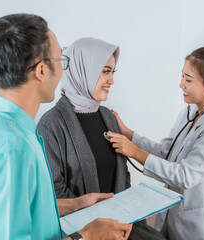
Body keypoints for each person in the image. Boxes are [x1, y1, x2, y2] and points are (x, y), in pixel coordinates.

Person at [0, 14, 132, 240]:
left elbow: (30, 208)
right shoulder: (12, 149)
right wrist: (87, 236)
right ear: (42, 70)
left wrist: (75, 204)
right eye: (60, 61)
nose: (64, 71)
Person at [107, 46, 204, 240]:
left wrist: (135, 152)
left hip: (201, 228)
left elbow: (185, 176)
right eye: (182, 77)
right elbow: (167, 152)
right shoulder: (189, 113)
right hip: (173, 219)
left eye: (188, 79)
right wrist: (130, 134)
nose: (181, 84)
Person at [37, 37, 166, 240]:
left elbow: (123, 177)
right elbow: (52, 191)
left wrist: (126, 220)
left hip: (122, 229)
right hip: (80, 233)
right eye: (105, 71)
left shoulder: (108, 117)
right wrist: (101, 224)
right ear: (82, 69)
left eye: (112, 72)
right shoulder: (51, 124)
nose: (111, 80)